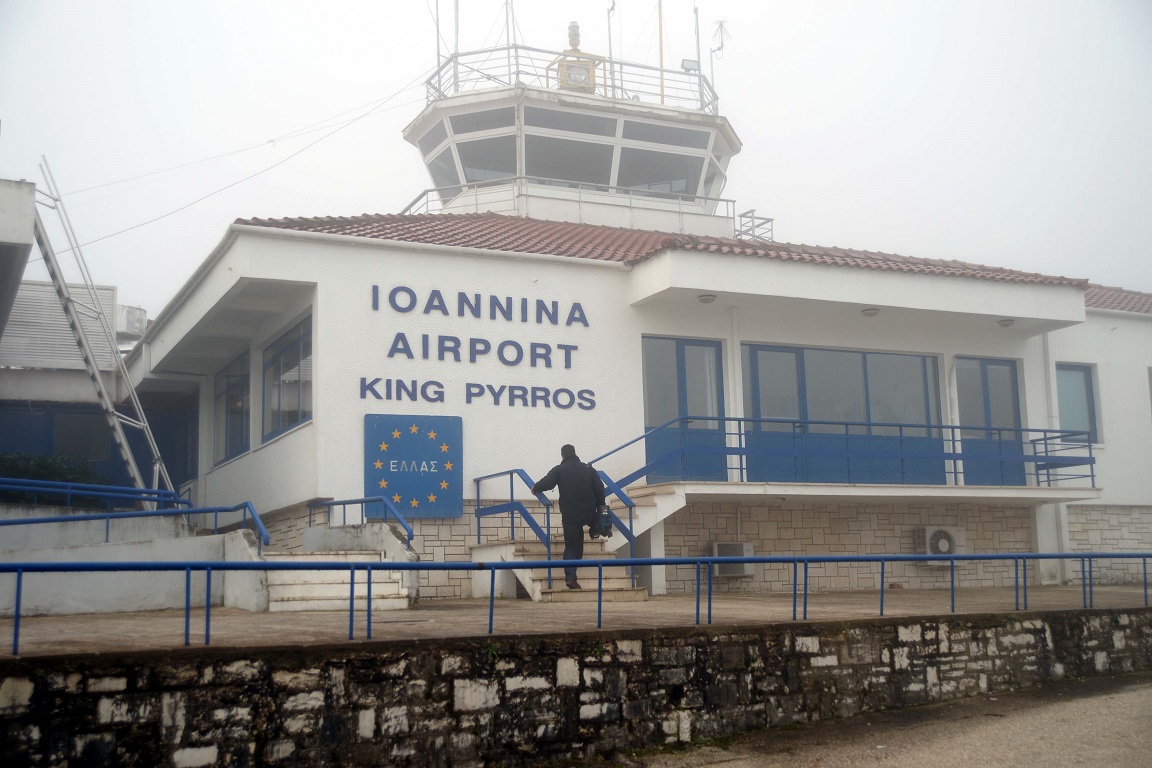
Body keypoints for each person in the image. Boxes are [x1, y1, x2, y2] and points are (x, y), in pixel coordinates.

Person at [531, 444, 606, 589]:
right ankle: (594, 529)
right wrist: (601, 508)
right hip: (589, 511)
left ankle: (571, 577)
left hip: (570, 514)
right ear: (575, 453)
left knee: (571, 546)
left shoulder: (559, 470)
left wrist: (535, 488)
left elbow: (547, 482)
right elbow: (599, 489)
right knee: (592, 526)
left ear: (562, 455)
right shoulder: (588, 469)